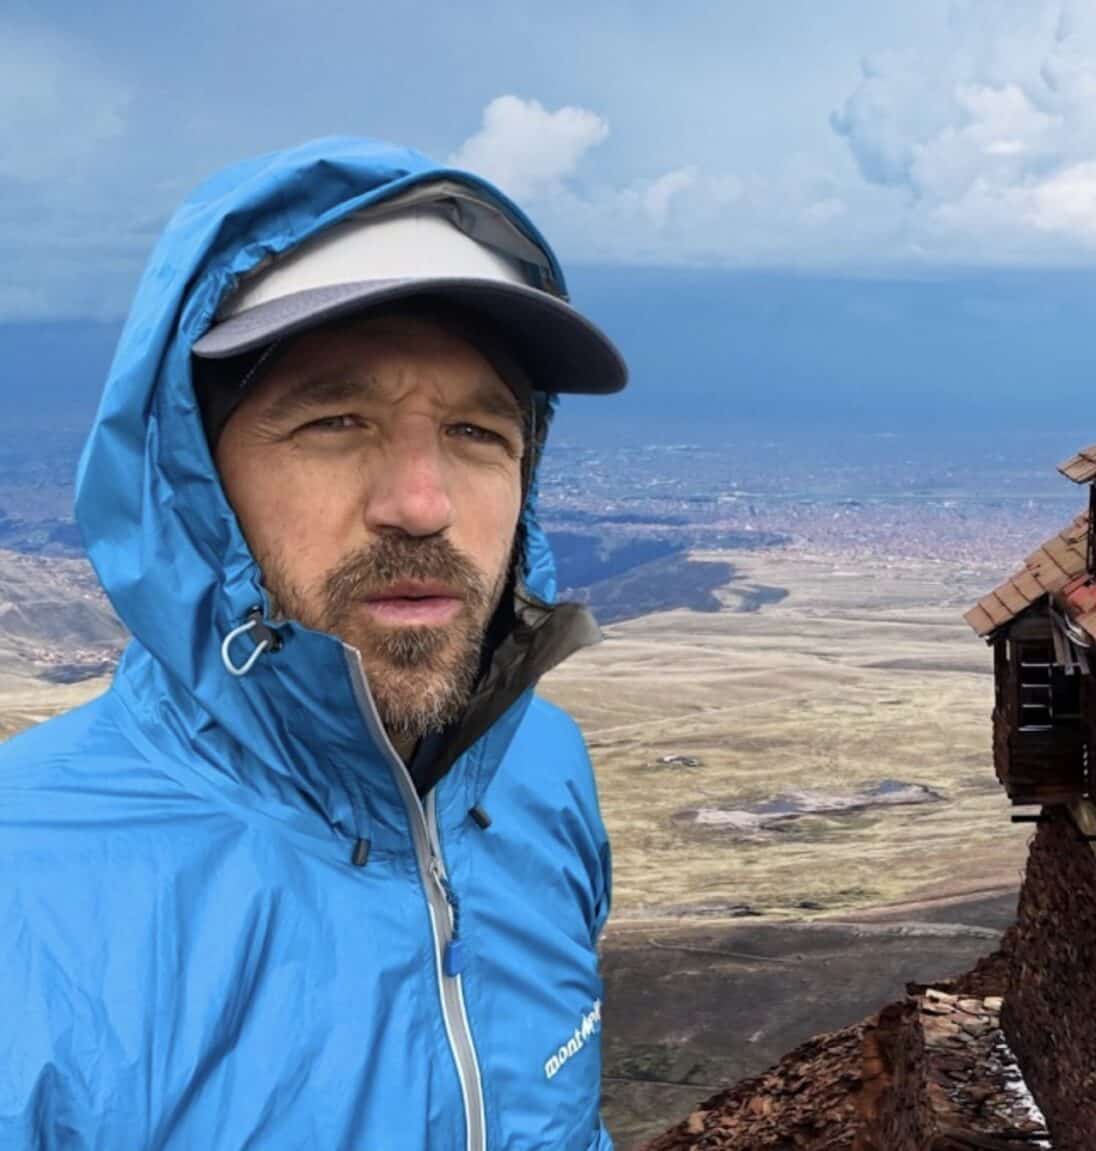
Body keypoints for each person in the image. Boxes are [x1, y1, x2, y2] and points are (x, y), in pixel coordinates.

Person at [0, 137, 629, 1150]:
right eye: (336, 419)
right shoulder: (21, 891)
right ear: (190, 478)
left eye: (478, 432)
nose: (421, 505)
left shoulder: (538, 773)